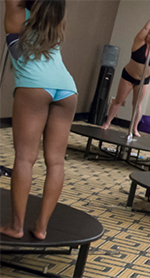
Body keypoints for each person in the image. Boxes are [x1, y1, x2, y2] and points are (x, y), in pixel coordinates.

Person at [1, 0, 77, 240]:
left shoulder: (17, 13)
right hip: (67, 88)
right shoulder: (54, 19)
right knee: (56, 163)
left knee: (25, 157)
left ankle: (16, 226)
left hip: (34, 86)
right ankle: (41, 228)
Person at [100, 5, 150, 137]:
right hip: (128, 76)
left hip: (143, 80)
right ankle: (107, 123)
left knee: (137, 105)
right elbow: (145, 28)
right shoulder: (138, 43)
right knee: (118, 100)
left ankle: (134, 128)